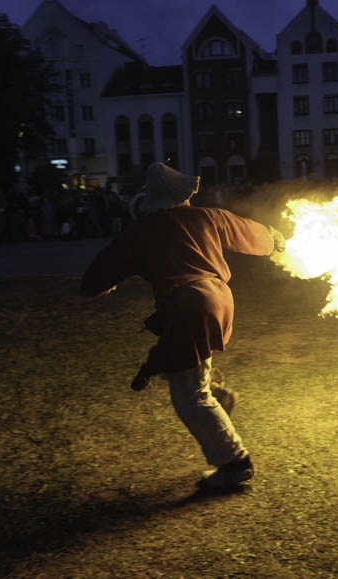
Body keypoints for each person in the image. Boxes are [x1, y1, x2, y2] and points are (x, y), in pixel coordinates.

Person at [81, 162, 285, 489]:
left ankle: (235, 463)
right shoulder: (208, 216)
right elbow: (253, 233)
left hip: (190, 307)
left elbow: (98, 275)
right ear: (184, 193)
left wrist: (99, 284)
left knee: (189, 397)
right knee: (182, 370)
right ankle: (217, 397)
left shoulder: (141, 231)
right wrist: (274, 239)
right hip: (217, 299)